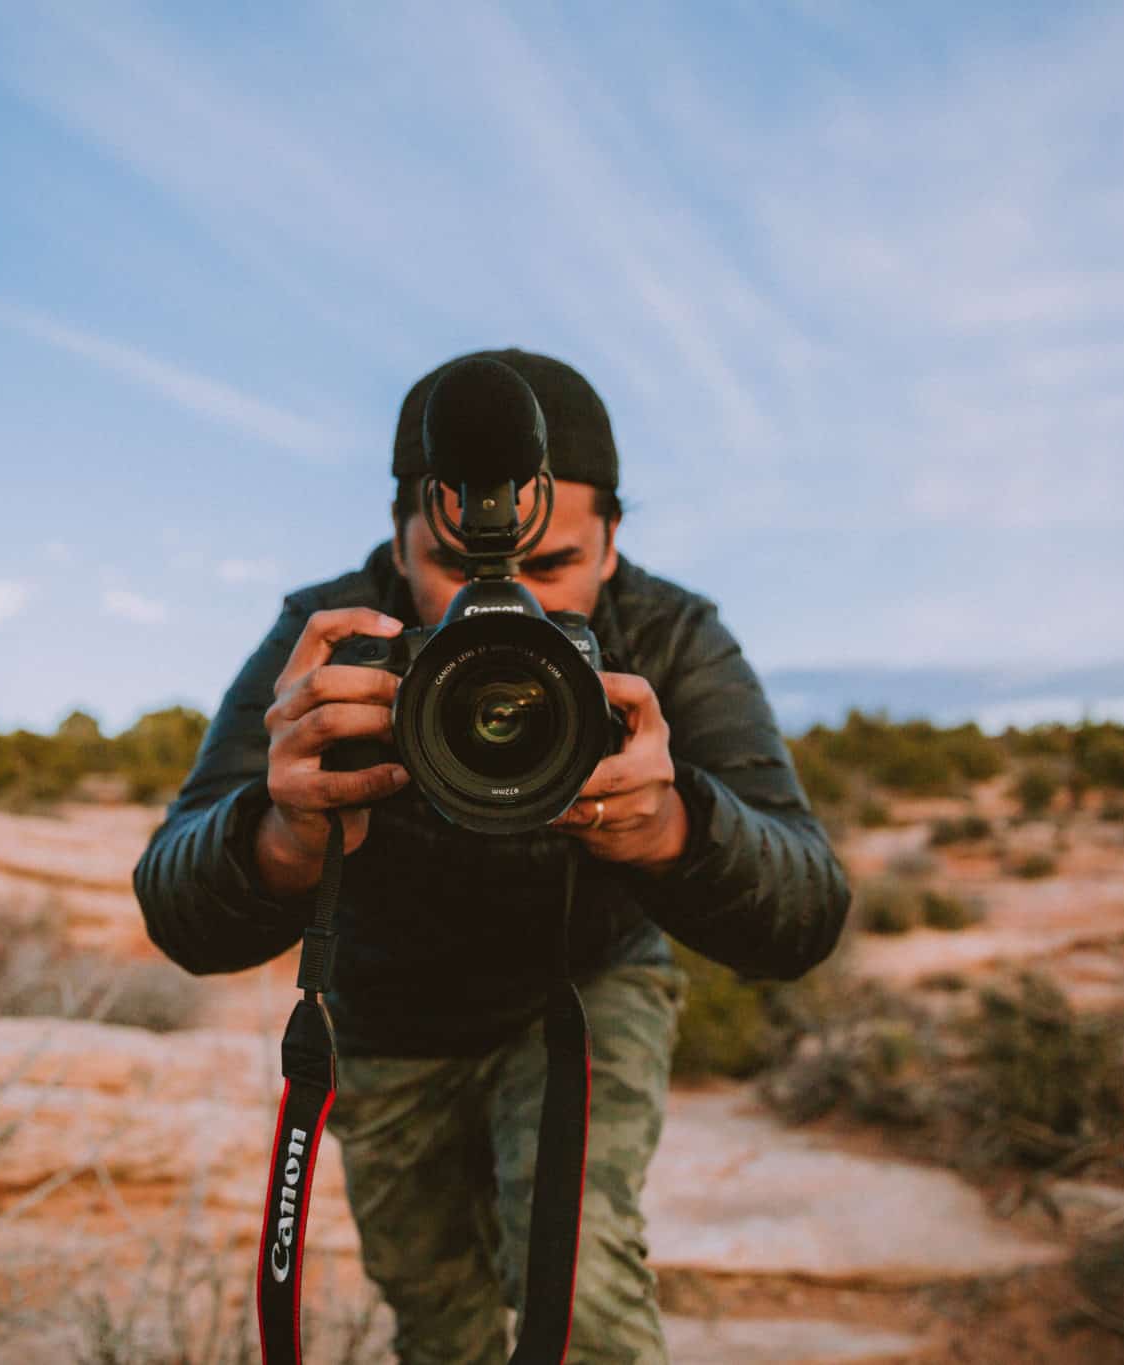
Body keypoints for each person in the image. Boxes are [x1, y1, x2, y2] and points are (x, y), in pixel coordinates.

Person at [133, 348, 849, 1364]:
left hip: (587, 984)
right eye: (458, 570)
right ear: (398, 535)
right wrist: (281, 834)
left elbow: (807, 910)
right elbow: (175, 907)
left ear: (611, 547)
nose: (507, 607)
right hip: (387, 1016)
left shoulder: (670, 634)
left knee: (583, 1301)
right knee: (438, 1327)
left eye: (550, 570)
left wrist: (669, 825)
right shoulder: (333, 637)